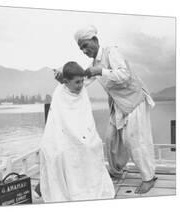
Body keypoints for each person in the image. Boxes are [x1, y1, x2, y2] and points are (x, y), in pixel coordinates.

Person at [55, 25, 157, 194]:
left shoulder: (111, 53)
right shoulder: (93, 65)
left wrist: (101, 71)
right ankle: (116, 171)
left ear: (95, 40)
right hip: (118, 105)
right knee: (110, 139)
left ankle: (149, 178)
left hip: (134, 101)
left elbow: (124, 75)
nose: (84, 50)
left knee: (136, 141)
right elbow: (80, 84)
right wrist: (63, 80)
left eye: (86, 45)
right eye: (81, 48)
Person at [39, 61, 115, 203]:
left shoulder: (82, 91)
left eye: (82, 81)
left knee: (93, 146)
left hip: (83, 136)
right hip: (64, 138)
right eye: (77, 82)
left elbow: (85, 119)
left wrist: (83, 138)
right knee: (62, 153)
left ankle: (89, 187)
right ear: (66, 82)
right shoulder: (59, 94)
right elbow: (58, 123)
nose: (81, 85)